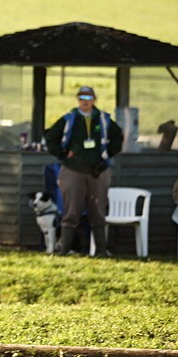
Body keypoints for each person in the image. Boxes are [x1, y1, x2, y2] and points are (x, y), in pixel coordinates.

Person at [43, 86, 124, 255]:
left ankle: (101, 250)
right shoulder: (69, 119)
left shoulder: (103, 119)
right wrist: (63, 154)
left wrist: (108, 154)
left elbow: (118, 137)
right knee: (71, 209)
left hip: (99, 170)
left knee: (98, 210)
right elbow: (51, 137)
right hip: (73, 170)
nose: (84, 102)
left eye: (88, 98)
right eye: (81, 98)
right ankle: (63, 248)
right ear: (77, 100)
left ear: (94, 100)